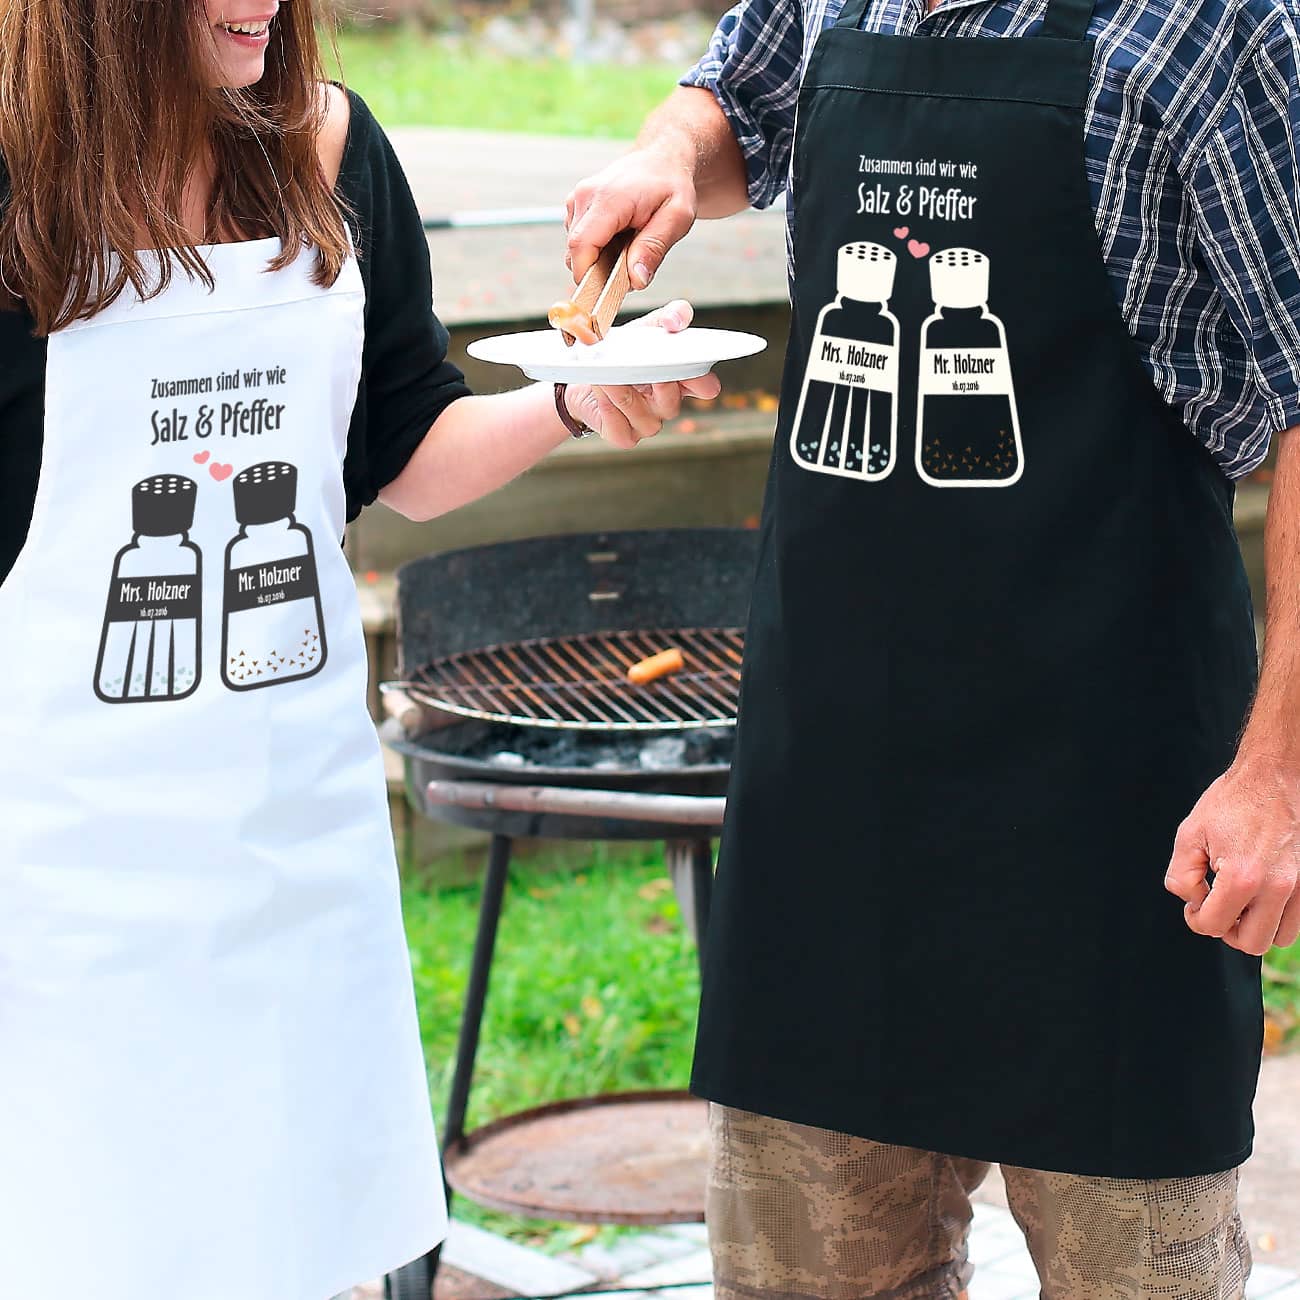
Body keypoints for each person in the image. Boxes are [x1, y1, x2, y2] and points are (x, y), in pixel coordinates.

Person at [567, 0, 1300, 1295]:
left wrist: (1279, 776)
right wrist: (668, 151)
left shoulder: (1213, 27)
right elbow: (738, 92)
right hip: (832, 807)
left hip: (1112, 823)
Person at [0, 3, 719, 1298]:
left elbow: (401, 451)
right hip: (58, 908)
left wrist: (570, 395)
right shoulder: (17, 184)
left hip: (295, 877)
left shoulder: (325, 149)